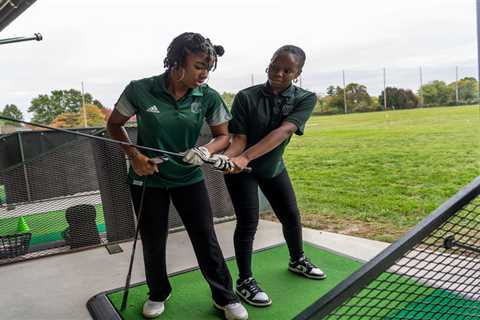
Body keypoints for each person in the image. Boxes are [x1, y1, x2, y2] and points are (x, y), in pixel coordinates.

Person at [107, 32, 247, 320]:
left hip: (188, 177)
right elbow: (114, 124)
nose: (204, 74)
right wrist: (134, 156)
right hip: (148, 177)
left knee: (205, 237)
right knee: (153, 239)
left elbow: (223, 136)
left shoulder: (207, 96)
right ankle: (158, 292)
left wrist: (205, 151)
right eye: (198, 66)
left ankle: (225, 297)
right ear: (176, 61)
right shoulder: (139, 89)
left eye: (208, 68)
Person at [223, 45, 326, 307]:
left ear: (297, 73)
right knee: (248, 224)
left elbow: (283, 132)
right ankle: (244, 281)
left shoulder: (305, 98)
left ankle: (297, 260)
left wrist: (245, 156)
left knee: (290, 215)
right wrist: (229, 158)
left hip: (271, 167)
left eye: (287, 70)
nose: (278, 73)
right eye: (275, 66)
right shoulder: (246, 96)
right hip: (241, 172)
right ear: (268, 63)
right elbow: (239, 138)